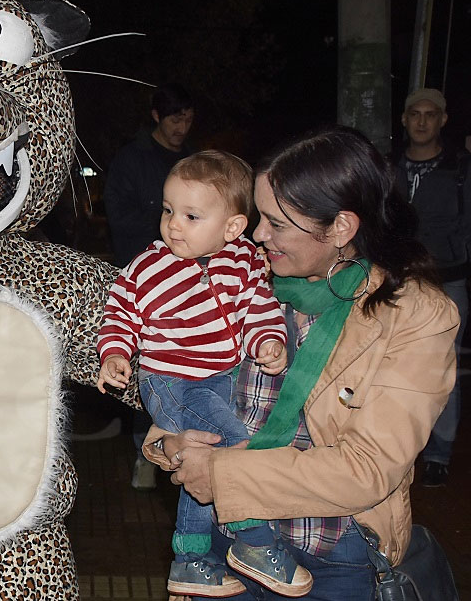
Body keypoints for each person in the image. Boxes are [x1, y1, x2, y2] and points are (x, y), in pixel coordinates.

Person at [148, 126, 457, 600]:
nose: (257, 234)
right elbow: (178, 375)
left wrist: (222, 475)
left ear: (341, 228)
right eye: (259, 217)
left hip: (329, 560)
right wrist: (171, 441)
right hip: (222, 543)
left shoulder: (415, 314)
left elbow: (368, 468)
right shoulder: (243, 276)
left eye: (277, 223)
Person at [97, 150, 307, 598]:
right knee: (232, 445)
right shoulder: (149, 266)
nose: (174, 225)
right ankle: (255, 541)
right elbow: (119, 312)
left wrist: (268, 342)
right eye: (168, 210)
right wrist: (115, 353)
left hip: (221, 379)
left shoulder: (245, 260)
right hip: (170, 381)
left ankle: (191, 560)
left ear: (232, 227)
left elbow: (258, 307)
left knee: (202, 466)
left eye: (191, 216)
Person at [103, 83, 196, 490]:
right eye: (175, 117)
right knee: (149, 366)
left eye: (188, 118)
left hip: (190, 285)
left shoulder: (194, 162)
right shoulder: (132, 159)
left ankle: (187, 452)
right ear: (157, 116)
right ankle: (146, 452)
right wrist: (167, 237)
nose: (182, 127)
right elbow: (118, 217)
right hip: (144, 282)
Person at [394, 87, 470, 488]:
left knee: (444, 365)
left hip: (447, 279)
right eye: (415, 113)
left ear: (442, 120)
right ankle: (400, 448)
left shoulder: (460, 167)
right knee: (395, 363)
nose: (421, 121)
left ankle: (439, 453)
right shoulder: (389, 167)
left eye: (430, 114)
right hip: (397, 280)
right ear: (404, 119)